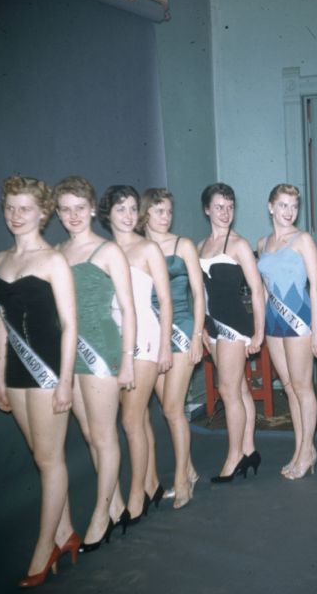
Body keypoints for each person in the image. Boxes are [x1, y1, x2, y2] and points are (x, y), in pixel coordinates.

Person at [0, 176, 78, 587]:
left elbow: (70, 325)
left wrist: (64, 382)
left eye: (24, 208)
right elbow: (2, 325)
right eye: (10, 207)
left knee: (49, 459)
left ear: (43, 214)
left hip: (47, 370)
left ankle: (44, 548)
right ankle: (65, 533)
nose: (16, 215)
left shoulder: (53, 261)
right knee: (41, 456)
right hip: (16, 373)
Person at [54, 176, 136, 551]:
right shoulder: (56, 252)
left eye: (78, 207)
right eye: (64, 208)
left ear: (90, 209)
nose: (72, 215)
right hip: (70, 354)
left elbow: (129, 309)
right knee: (89, 434)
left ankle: (100, 516)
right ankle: (116, 503)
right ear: (57, 212)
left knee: (104, 435)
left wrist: (129, 362)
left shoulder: (108, 251)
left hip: (102, 349)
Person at [98, 186, 173, 520]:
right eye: (121, 209)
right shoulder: (104, 251)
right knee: (138, 417)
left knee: (130, 419)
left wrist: (166, 346)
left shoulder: (148, 249)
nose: (129, 216)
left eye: (132, 209)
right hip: (115, 342)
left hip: (146, 339)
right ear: (108, 215)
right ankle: (152, 483)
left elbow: (166, 301)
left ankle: (136, 498)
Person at [140, 188, 204, 508]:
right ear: (145, 214)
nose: (166, 217)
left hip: (181, 332)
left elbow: (199, 294)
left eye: (168, 211)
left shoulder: (184, 245)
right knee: (168, 407)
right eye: (159, 211)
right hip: (152, 335)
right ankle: (188, 470)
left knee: (172, 409)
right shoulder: (138, 248)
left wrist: (196, 337)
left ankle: (181, 481)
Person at [198, 183, 265, 482]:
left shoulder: (238, 244)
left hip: (235, 327)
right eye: (220, 206)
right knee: (238, 389)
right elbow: (201, 292)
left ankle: (234, 455)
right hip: (213, 327)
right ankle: (249, 449)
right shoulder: (201, 245)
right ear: (207, 209)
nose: (226, 212)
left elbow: (258, 290)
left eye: (230, 206)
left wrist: (259, 333)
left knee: (228, 391)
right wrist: (202, 327)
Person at [257, 184, 317, 479]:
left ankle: (307, 451)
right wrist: (260, 328)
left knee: (302, 387)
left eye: (294, 206)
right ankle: (301, 448)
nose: (289, 212)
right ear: (271, 207)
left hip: (299, 320)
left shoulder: (303, 239)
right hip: (274, 322)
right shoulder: (262, 243)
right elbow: (262, 289)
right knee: (288, 388)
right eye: (283, 205)